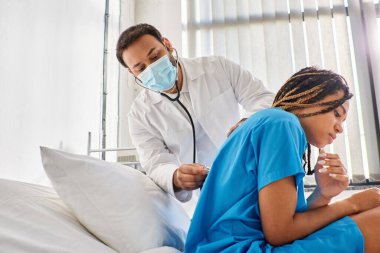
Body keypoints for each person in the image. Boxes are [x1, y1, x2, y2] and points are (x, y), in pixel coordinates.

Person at [185, 67, 380, 252]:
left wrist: (323, 194)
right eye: (336, 114)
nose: (340, 128)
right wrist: (352, 203)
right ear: (308, 97)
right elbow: (280, 232)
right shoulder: (282, 124)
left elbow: (289, 222)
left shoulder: (271, 123)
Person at [116, 23, 274, 212]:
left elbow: (263, 98)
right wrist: (175, 176)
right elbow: (155, 162)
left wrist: (248, 123)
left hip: (250, 174)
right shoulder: (140, 114)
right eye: (140, 68)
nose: (151, 69)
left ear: (167, 44)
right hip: (201, 199)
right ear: (131, 72)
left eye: (155, 56)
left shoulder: (217, 68)